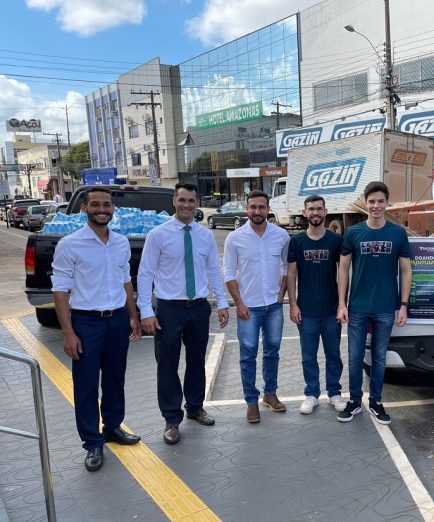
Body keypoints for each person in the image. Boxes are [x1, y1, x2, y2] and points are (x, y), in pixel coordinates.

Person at [52, 187, 142, 472]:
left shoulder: (121, 243)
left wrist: (133, 315)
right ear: (84, 209)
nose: (101, 209)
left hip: (116, 320)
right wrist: (68, 332)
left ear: (113, 209)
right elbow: (60, 290)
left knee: (115, 378)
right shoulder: (69, 245)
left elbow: (125, 281)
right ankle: (92, 442)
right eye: (95, 205)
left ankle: (112, 427)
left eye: (106, 205)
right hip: (86, 322)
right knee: (87, 385)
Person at [137, 183, 229, 445]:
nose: (186, 205)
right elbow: (145, 274)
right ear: (174, 202)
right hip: (169, 309)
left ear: (196, 203)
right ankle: (171, 418)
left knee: (197, 360)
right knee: (167, 365)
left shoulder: (205, 235)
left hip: (198, 307)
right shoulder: (158, 235)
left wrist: (222, 301)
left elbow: (213, 269)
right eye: (182, 200)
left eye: (191, 200)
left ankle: (195, 407)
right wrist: (146, 310)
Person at [337, 181, 412, 425]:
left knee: (379, 358)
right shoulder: (353, 233)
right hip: (357, 307)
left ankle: (376, 402)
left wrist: (403, 305)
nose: (376, 206)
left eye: (380, 201)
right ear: (365, 203)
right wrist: (342, 303)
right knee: (355, 357)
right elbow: (343, 269)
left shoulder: (397, 233)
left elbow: (406, 270)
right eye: (371, 201)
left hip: (386, 308)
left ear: (387, 203)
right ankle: (354, 401)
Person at [224, 190, 290, 423]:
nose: (257, 211)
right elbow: (229, 273)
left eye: (261, 207)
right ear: (247, 210)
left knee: (272, 351)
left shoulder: (281, 235)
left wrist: (281, 295)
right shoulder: (235, 238)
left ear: (268, 209)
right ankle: (251, 401)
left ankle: (270, 395)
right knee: (248, 354)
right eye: (253, 207)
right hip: (248, 307)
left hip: (273, 305)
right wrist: (239, 303)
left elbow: (286, 267)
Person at [287, 195, 347, 415]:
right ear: (305, 212)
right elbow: (291, 274)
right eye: (311, 209)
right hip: (307, 311)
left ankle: (334, 393)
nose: (315, 212)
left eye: (319, 209)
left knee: (334, 355)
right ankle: (311, 394)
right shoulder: (297, 241)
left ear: (325, 212)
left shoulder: (335, 240)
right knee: (308, 356)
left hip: (331, 310)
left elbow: (343, 273)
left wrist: (342, 304)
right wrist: (293, 304)